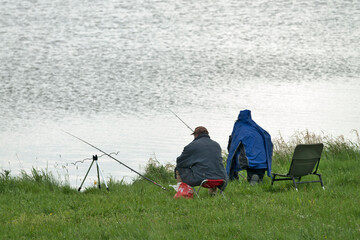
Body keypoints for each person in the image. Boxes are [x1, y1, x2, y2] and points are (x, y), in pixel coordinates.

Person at [175, 126, 228, 195]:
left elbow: (180, 162)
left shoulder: (192, 146)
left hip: (202, 179)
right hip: (220, 179)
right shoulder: (216, 145)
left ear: (196, 135)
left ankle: (182, 193)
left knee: (178, 168)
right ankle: (213, 195)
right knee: (212, 168)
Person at [226, 110, 273, 185]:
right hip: (263, 161)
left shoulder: (239, 127)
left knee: (232, 159)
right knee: (258, 178)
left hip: (250, 161)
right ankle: (257, 180)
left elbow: (232, 147)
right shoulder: (256, 128)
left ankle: (232, 179)